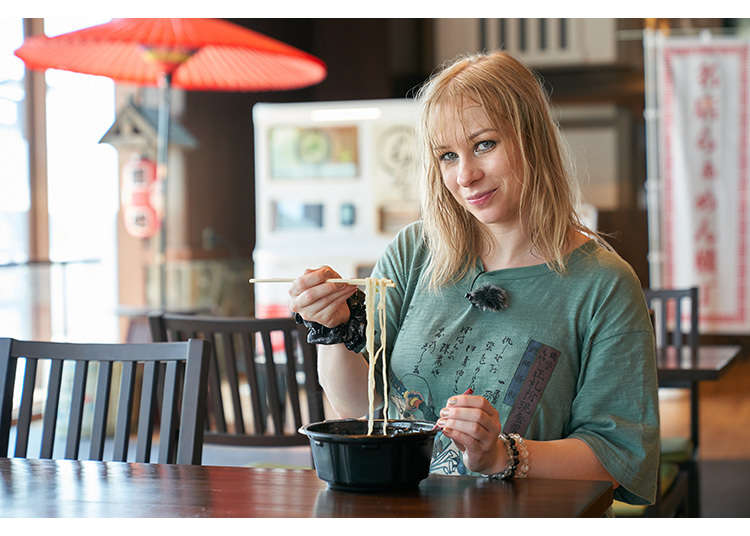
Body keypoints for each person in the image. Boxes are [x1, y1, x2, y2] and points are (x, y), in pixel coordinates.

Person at [289, 51, 659, 506]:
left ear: (533, 138)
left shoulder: (602, 284)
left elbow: (618, 455)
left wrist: (504, 455)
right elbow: (359, 409)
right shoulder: (414, 252)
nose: (466, 175)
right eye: (447, 156)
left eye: (484, 144)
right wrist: (330, 328)